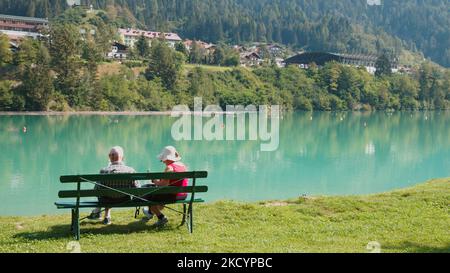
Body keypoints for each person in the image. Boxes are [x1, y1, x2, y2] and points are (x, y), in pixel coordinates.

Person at [87, 146, 139, 225]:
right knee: (106, 193)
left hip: (107, 200)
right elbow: (137, 189)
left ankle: (100, 213)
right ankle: (103, 215)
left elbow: (96, 190)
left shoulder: (104, 171)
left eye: (109, 155)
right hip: (125, 200)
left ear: (110, 157)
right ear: (122, 157)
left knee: (105, 194)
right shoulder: (131, 170)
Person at [142, 146, 188, 227]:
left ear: (167, 158)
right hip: (183, 195)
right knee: (158, 195)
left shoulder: (169, 168)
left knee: (149, 197)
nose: (163, 161)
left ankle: (161, 217)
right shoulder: (183, 166)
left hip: (172, 195)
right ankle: (151, 212)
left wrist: (154, 181)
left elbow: (163, 185)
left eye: (163, 159)